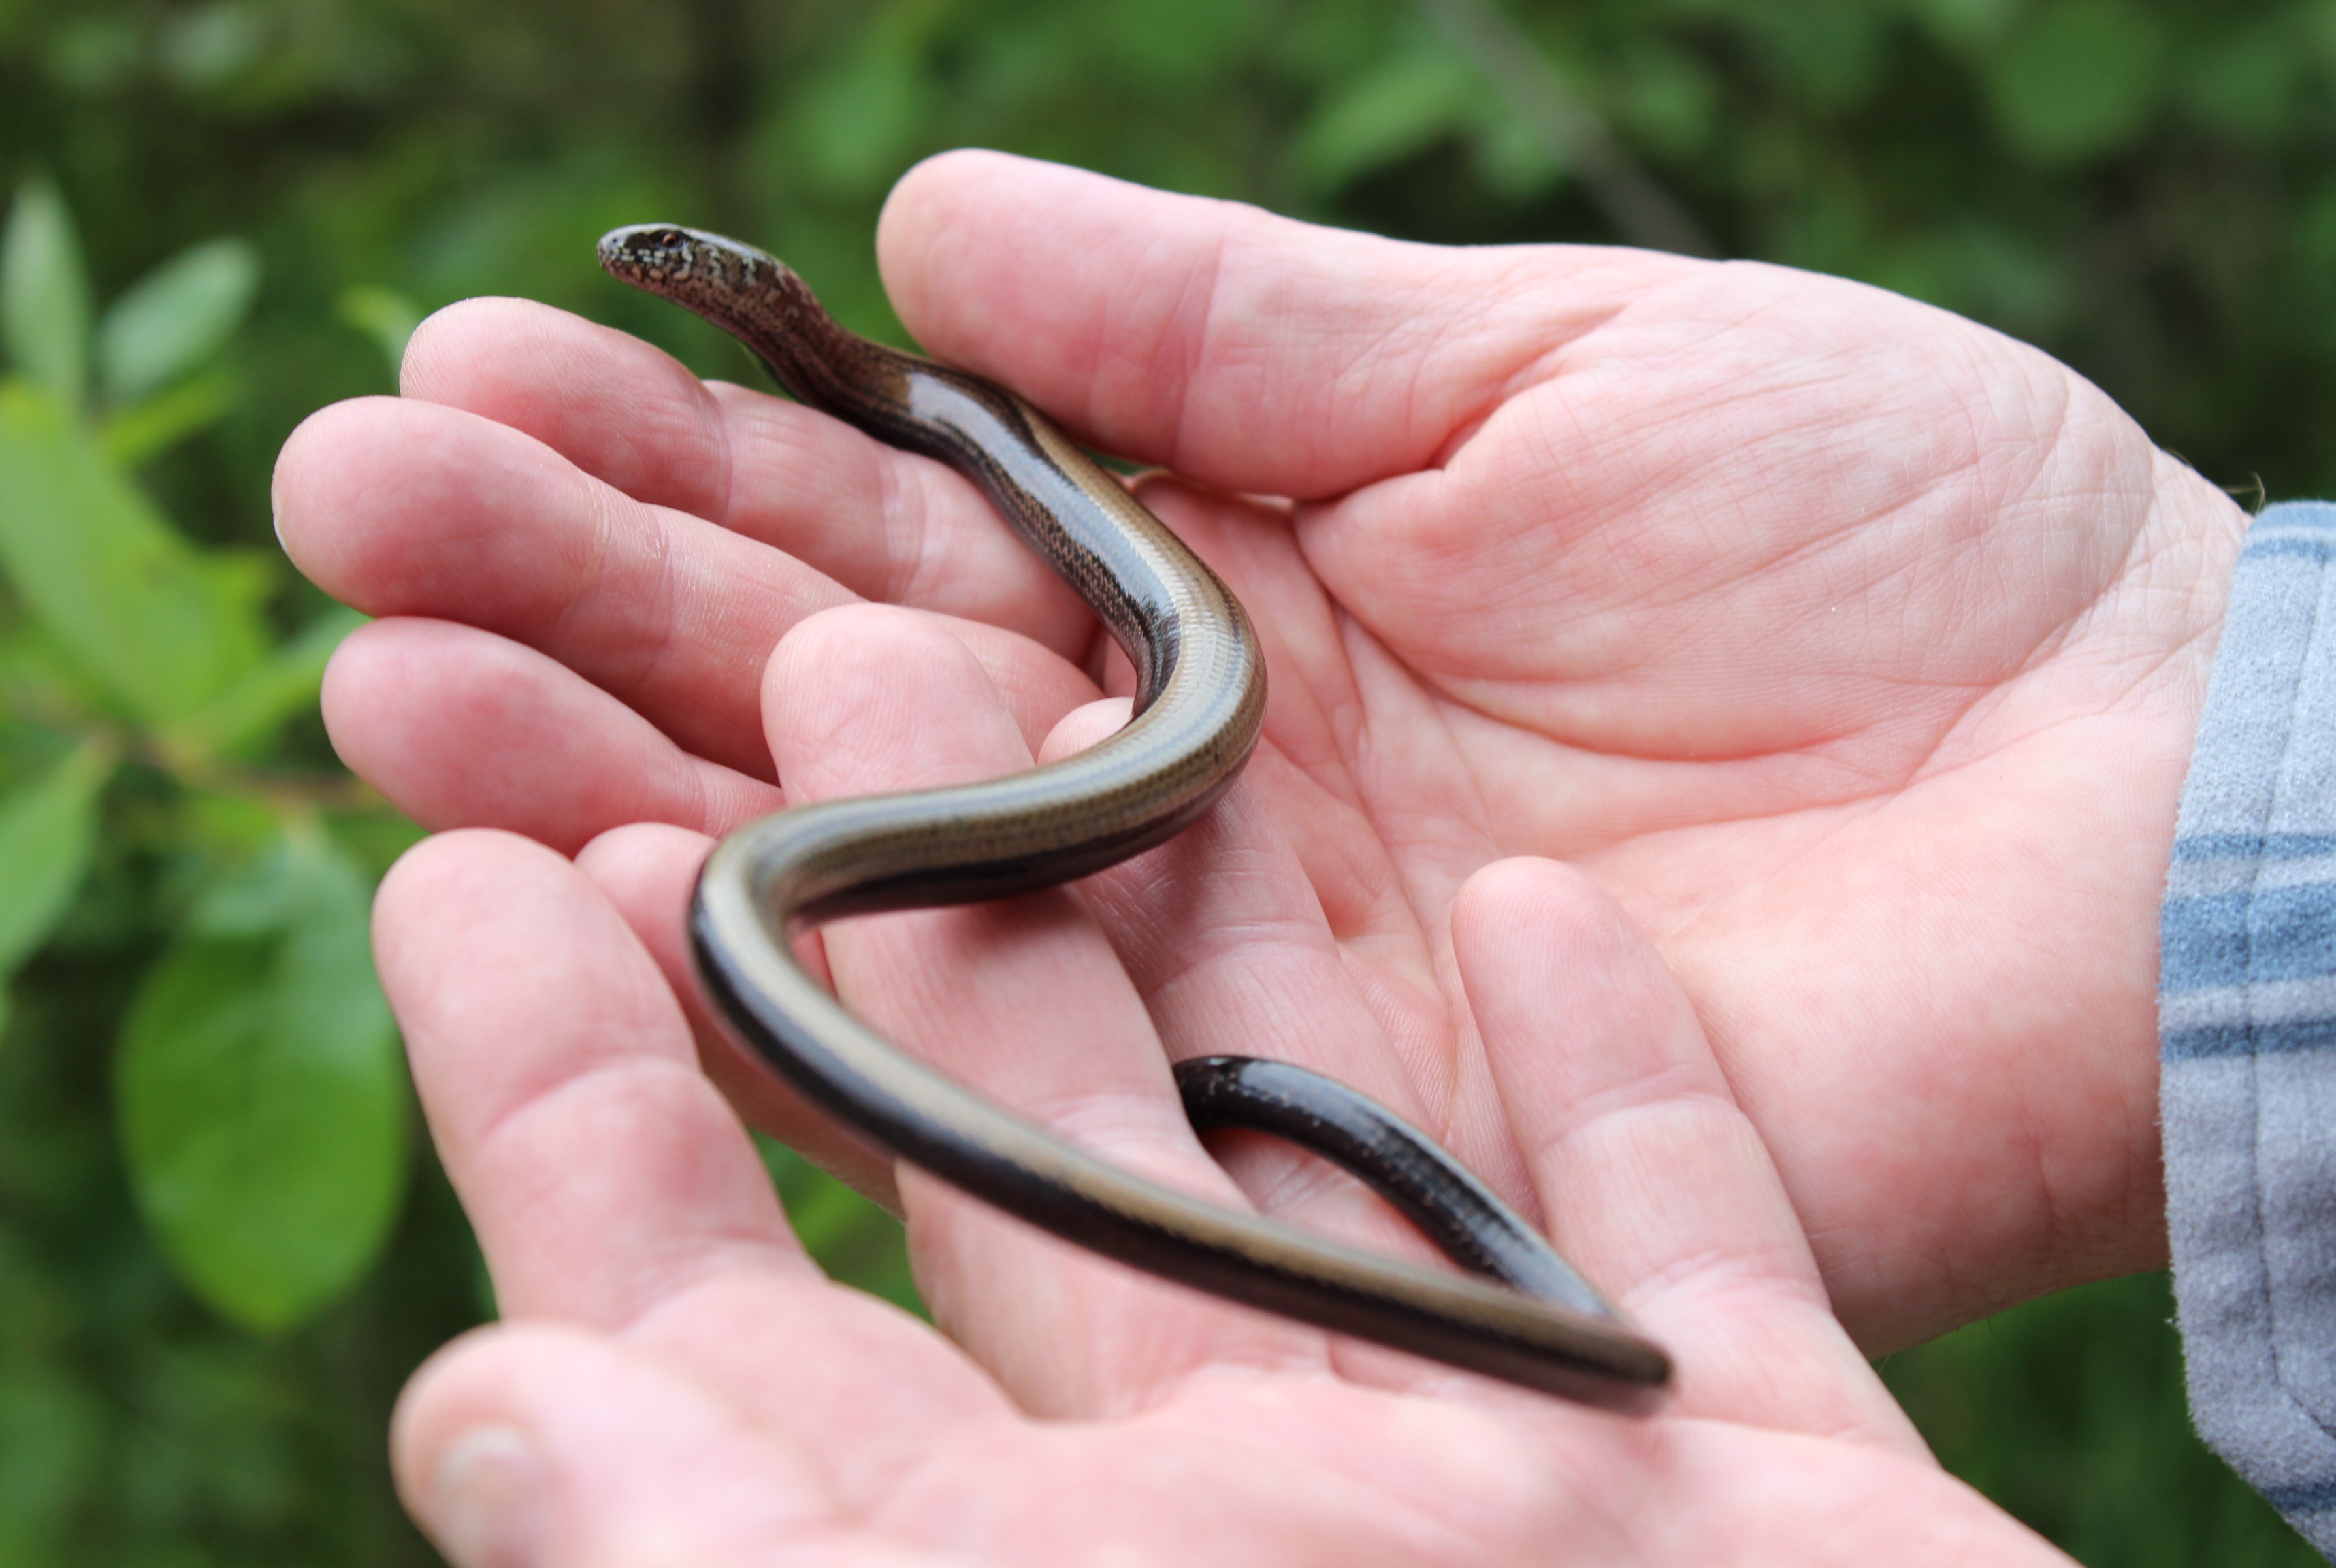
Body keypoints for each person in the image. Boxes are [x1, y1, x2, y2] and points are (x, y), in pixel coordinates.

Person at [272, 148, 2265, 1564]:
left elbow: (941, 429)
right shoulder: (907, 405)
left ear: (740, 298)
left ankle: (1363, 1195)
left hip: (1156, 731)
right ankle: (1443, 1252)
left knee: (762, 892)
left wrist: (2153, 707)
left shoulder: (909, 393)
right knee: (745, 885)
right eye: (657, 259)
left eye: (675, 259)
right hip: (1131, 708)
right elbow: (923, 423)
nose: (652, 263)